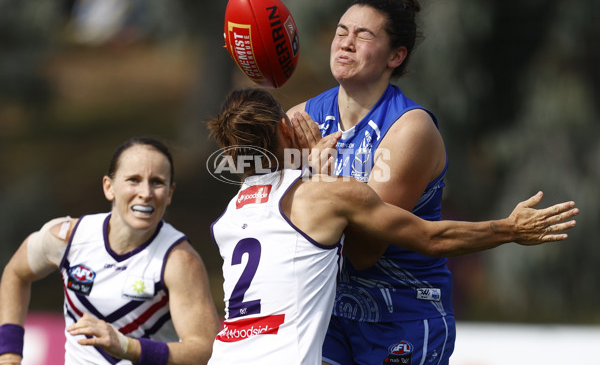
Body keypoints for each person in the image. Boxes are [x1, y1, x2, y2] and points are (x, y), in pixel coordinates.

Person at [205, 88, 578, 364]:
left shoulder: (230, 216)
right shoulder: (326, 195)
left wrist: (309, 170)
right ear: (287, 129)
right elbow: (431, 238)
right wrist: (508, 229)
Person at [285, 0, 463, 365]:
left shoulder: (409, 129)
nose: (346, 43)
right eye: (341, 31)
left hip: (402, 317)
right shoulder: (302, 117)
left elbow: (365, 252)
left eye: (363, 35)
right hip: (326, 315)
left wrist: (321, 181)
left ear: (396, 56)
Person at [0, 137, 220, 365]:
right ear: (109, 187)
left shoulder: (179, 260)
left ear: (170, 193)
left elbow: (206, 350)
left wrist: (127, 347)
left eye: (157, 182)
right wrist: (9, 354)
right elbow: (15, 274)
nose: (145, 192)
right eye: (133, 180)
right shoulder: (67, 238)